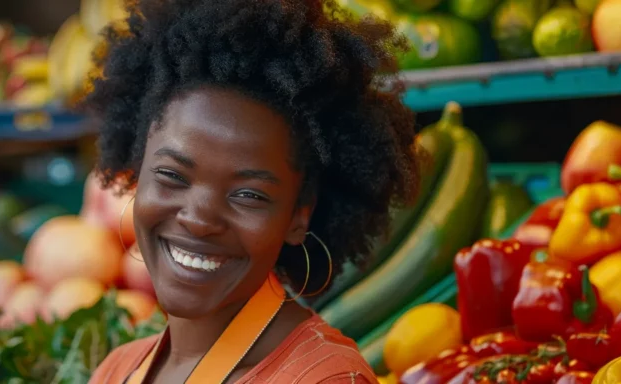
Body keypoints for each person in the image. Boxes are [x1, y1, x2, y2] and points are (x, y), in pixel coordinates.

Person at [83, 0, 420, 382]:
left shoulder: (321, 378)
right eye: (172, 175)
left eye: (249, 194)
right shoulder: (117, 370)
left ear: (298, 215)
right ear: (137, 171)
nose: (198, 219)